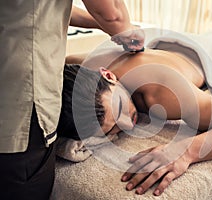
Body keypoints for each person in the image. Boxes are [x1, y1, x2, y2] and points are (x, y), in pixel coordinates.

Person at [59, 46, 212, 196]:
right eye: (111, 129)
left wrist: (185, 152)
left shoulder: (161, 93)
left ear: (108, 75)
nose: (128, 125)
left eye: (120, 106)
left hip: (208, 54)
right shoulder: (74, 66)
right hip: (161, 48)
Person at [0, 0, 144, 199]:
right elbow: (112, 14)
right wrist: (128, 32)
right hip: (19, 97)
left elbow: (48, 8)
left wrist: (99, 23)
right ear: (108, 75)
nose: (128, 126)